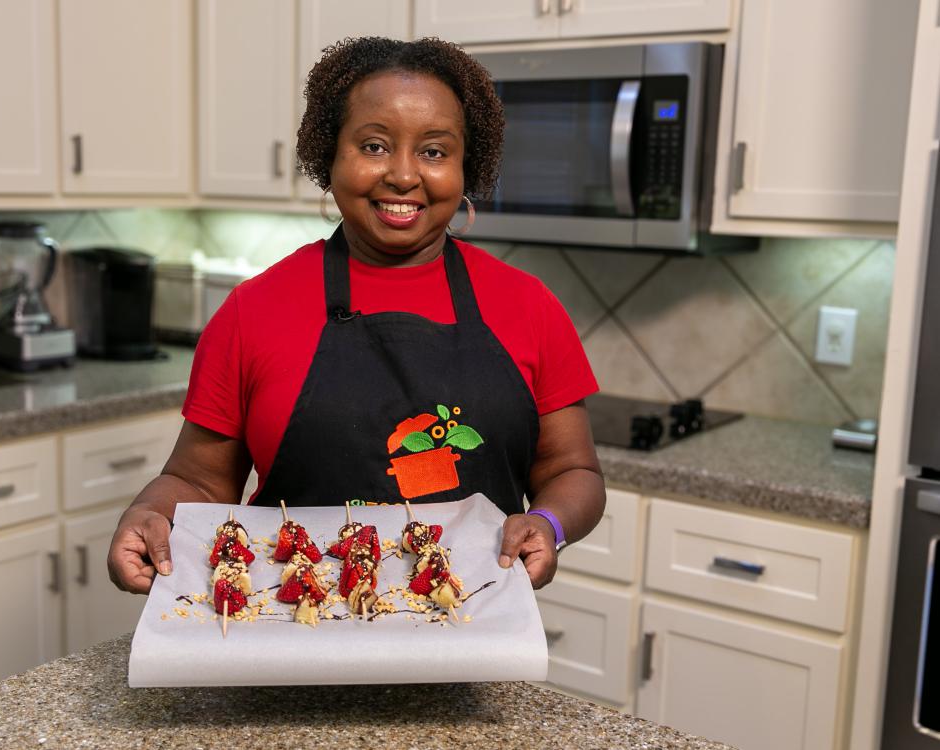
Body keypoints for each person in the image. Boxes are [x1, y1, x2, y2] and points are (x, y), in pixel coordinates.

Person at [108, 37, 606, 595]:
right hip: (288, 622)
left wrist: (549, 524)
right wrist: (150, 513)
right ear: (331, 157)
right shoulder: (254, 310)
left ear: (468, 166)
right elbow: (196, 479)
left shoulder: (528, 305)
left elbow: (573, 472)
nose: (402, 175)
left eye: (435, 152)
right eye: (374, 146)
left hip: (469, 621)